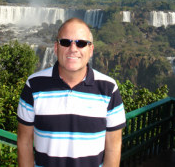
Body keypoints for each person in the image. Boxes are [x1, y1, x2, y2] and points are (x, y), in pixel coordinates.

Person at [17, 18, 126, 167]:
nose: (73, 49)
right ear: (56, 48)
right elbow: (24, 143)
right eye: (65, 42)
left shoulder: (108, 88)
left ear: (91, 50)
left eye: (81, 43)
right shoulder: (33, 85)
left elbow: (113, 149)